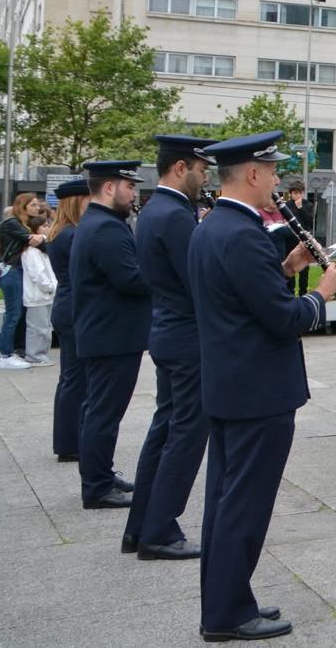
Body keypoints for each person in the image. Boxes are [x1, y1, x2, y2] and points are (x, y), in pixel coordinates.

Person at [189, 130, 336, 641]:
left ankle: (226, 602)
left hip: (232, 383)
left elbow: (240, 297)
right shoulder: (244, 233)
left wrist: (286, 267)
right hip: (257, 390)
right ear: (252, 174)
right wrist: (321, 293)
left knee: (225, 500)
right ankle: (228, 614)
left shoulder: (215, 226)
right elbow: (281, 318)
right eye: (273, 172)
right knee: (244, 505)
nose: (277, 180)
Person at [124, 134, 217, 560]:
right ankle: (159, 531)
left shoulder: (155, 209)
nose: (205, 177)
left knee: (164, 430)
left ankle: (140, 525)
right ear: (181, 168)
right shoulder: (176, 215)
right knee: (186, 434)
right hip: (186, 339)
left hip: (167, 332)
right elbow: (197, 280)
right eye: (201, 169)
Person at [72, 160, 151, 508]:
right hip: (112, 336)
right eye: (129, 186)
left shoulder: (99, 222)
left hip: (106, 333)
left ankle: (100, 473)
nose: (133, 193)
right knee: (103, 415)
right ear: (108, 188)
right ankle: (97, 486)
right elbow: (131, 280)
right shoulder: (106, 228)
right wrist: (159, 268)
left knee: (99, 411)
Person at [48, 180, 89, 459]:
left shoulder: (59, 232)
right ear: (77, 201)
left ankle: (65, 440)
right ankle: (69, 443)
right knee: (76, 379)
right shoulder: (73, 234)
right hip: (75, 309)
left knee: (69, 378)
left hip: (64, 306)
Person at [0, 192, 48, 369]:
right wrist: (42, 237)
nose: (37, 207)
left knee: (18, 314)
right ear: (23, 205)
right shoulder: (12, 223)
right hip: (12, 271)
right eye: (33, 204)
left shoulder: (24, 224)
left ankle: (15, 351)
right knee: (13, 314)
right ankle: (5, 355)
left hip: (19, 272)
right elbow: (34, 241)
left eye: (37, 204)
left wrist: (42, 238)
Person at [20, 211, 56, 365]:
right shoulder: (32, 252)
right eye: (44, 225)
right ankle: (35, 356)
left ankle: (41, 354)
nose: (48, 228)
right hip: (38, 295)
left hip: (45, 295)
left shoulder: (42, 250)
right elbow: (38, 274)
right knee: (37, 328)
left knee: (45, 327)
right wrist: (50, 287)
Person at [279, 180, 313, 299]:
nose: (297, 195)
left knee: (304, 270)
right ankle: (290, 294)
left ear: (302, 193)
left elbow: (309, 222)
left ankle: (303, 293)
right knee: (291, 266)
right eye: (294, 193)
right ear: (291, 194)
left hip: (303, 240)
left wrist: (300, 208)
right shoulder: (287, 206)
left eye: (299, 193)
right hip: (290, 240)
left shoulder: (308, 205)